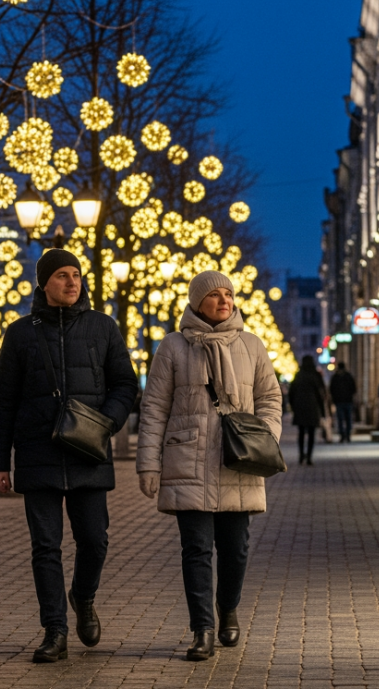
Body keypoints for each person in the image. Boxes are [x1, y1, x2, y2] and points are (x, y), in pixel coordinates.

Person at [0, 249, 138, 663]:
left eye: (76, 275)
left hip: (89, 453)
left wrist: (104, 423)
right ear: (43, 283)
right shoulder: (20, 333)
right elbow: (4, 402)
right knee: (45, 547)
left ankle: (83, 597)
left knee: (95, 540)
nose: (72, 282)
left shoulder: (102, 327)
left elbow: (126, 385)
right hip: (38, 453)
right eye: (61, 276)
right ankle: (54, 629)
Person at [136, 270, 282, 661]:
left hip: (238, 461)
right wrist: (148, 464)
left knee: (236, 548)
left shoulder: (251, 345)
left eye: (229, 295)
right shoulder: (173, 347)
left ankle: (228, 608)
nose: (224, 301)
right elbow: (153, 410)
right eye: (215, 295)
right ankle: (202, 628)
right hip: (188, 459)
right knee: (196, 549)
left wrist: (263, 437)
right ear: (197, 301)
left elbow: (270, 397)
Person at [287, 356, 327, 465]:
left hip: (300, 407)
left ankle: (301, 455)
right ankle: (309, 456)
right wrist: (323, 411)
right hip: (312, 407)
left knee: (300, 433)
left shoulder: (298, 375)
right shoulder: (316, 375)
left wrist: (293, 406)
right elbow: (321, 394)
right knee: (311, 433)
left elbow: (291, 392)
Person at [329, 362, 357, 443]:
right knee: (348, 419)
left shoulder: (335, 377)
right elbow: (354, 388)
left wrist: (334, 398)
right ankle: (347, 435)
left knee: (340, 419)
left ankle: (343, 435)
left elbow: (331, 389)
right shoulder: (348, 376)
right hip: (347, 401)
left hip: (339, 401)